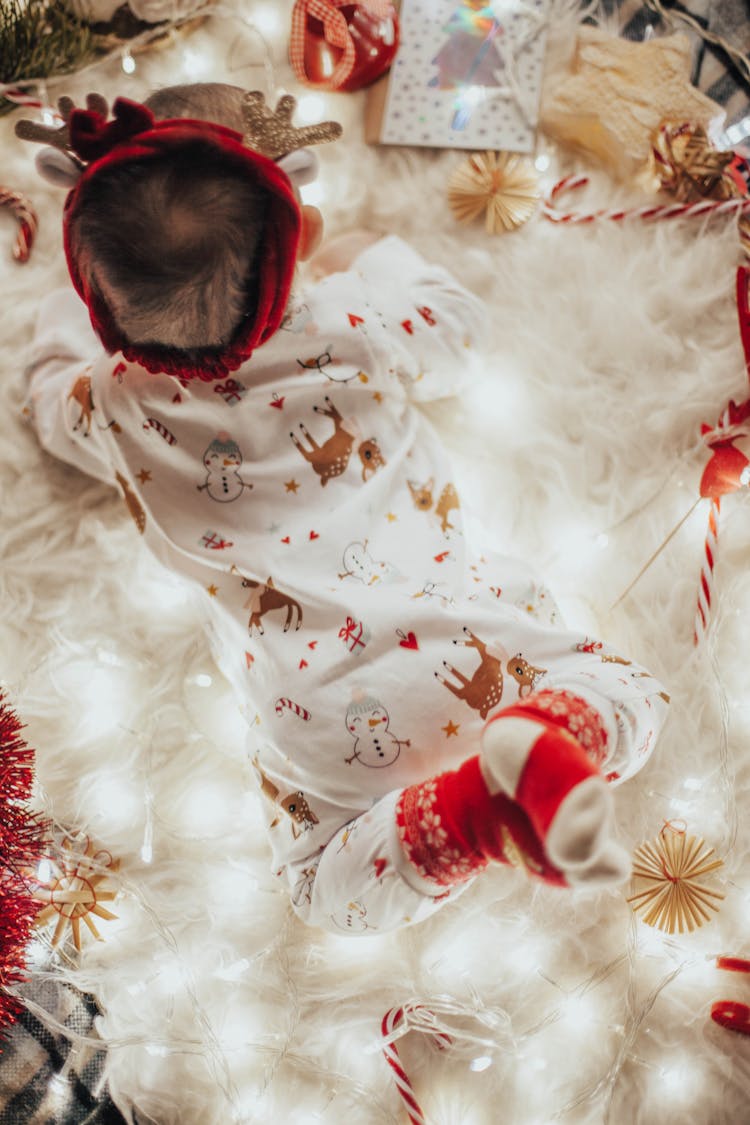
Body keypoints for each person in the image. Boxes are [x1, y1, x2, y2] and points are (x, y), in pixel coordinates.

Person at [20, 83, 668, 935]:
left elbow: (40, 396)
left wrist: (64, 321)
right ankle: (543, 731)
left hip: (317, 719)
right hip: (474, 636)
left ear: (98, 303)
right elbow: (460, 329)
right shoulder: (353, 320)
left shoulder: (108, 404)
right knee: (628, 695)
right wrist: (373, 256)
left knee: (326, 892)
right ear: (305, 241)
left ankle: (464, 820)